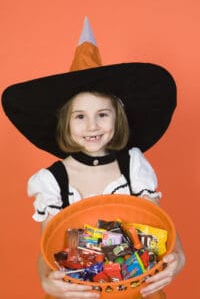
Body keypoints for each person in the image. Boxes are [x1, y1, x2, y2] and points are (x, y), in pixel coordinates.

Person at [2, 17, 185, 299]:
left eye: (102, 114)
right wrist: (47, 281)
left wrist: (178, 258)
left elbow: (159, 222)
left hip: (137, 292)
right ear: (65, 124)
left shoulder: (133, 167)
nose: (92, 126)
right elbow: (47, 246)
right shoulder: (52, 181)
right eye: (80, 117)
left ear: (117, 118)